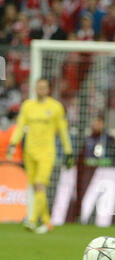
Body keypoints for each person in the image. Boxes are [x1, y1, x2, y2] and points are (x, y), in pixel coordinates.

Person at [6, 78, 74, 234]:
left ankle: (31, 219)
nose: (41, 90)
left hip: (47, 152)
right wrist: (12, 144)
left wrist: (68, 151)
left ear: (48, 89)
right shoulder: (28, 106)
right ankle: (47, 222)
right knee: (36, 187)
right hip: (29, 151)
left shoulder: (55, 107)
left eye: (44, 87)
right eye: (38, 87)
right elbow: (20, 126)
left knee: (39, 184)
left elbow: (63, 131)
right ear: (35, 89)